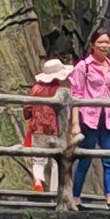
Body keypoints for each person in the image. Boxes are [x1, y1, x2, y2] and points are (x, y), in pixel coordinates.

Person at [69, 30, 110, 207]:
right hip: (89, 119)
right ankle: (76, 197)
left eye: (107, 42)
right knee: (84, 159)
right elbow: (75, 94)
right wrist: (75, 124)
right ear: (92, 44)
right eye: (100, 42)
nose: (104, 45)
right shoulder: (83, 67)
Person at [23, 58, 72, 197]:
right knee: (58, 161)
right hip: (56, 130)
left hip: (38, 129)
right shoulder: (63, 90)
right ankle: (55, 190)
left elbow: (27, 109)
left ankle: (38, 180)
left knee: (39, 160)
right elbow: (67, 112)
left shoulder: (36, 89)